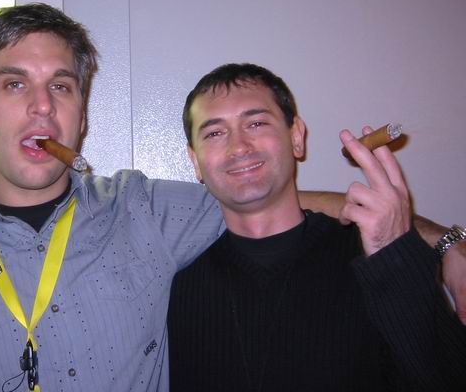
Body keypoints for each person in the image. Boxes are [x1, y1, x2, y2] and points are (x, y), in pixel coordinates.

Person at [0, 4, 464, 392]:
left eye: (61, 87)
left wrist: (445, 242)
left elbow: (268, 198)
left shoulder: (142, 211)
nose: (41, 107)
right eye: (14, 85)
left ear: (82, 114)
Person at [167, 63, 466, 391]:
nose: (238, 147)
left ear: (296, 137)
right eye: (214, 133)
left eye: (256, 123)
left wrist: (397, 257)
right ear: (195, 161)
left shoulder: (376, 257)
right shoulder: (175, 283)